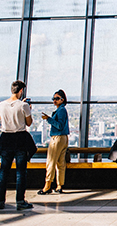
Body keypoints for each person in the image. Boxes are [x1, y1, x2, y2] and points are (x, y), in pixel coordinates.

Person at [0, 80, 34, 210]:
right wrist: (28, 109)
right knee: (20, 172)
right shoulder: (23, 105)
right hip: (19, 138)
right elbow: (29, 123)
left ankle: (0, 201)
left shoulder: (1, 105)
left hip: (5, 138)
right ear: (21, 91)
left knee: (3, 171)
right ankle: (20, 201)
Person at [38, 89, 69, 195]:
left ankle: (47, 186)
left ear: (62, 99)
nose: (54, 101)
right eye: (53, 98)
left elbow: (59, 125)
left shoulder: (61, 111)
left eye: (56, 98)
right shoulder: (62, 110)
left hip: (57, 138)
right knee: (60, 163)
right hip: (63, 138)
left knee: (51, 162)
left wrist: (48, 119)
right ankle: (59, 185)